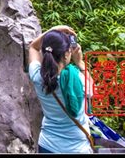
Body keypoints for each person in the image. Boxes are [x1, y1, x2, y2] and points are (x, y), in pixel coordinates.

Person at [28, 25, 92, 154]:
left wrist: (54, 30)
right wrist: (80, 63)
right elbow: (94, 92)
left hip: (47, 145)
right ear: (66, 53)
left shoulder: (37, 77)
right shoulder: (78, 79)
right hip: (77, 148)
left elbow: (33, 47)